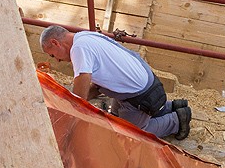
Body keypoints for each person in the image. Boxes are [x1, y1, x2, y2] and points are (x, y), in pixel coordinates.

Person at [40, 26, 192, 140]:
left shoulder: (78, 49)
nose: (57, 60)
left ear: (55, 42)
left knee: (126, 134)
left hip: (138, 95)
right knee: (113, 118)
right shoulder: (84, 36)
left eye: (52, 55)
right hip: (140, 84)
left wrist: (68, 114)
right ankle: (171, 107)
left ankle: (177, 120)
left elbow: (79, 93)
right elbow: (94, 87)